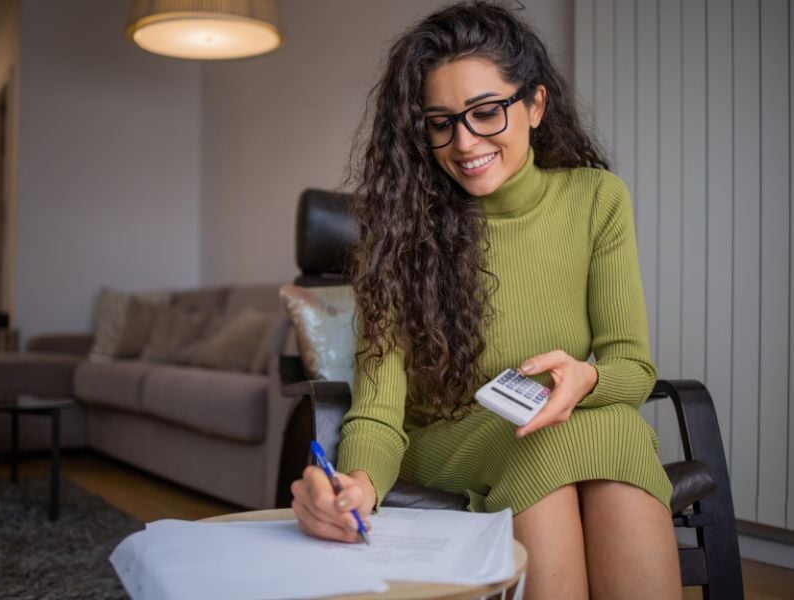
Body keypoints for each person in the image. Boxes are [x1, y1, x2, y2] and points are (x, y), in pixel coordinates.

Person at [290, 2, 682, 599]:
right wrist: (358, 484)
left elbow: (631, 366)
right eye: (440, 121)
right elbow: (379, 408)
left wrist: (585, 381)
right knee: (593, 434)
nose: (463, 142)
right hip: (451, 440)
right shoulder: (399, 230)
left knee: (598, 428)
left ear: (535, 106)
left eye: (485, 112)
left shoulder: (596, 199)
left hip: (561, 428)